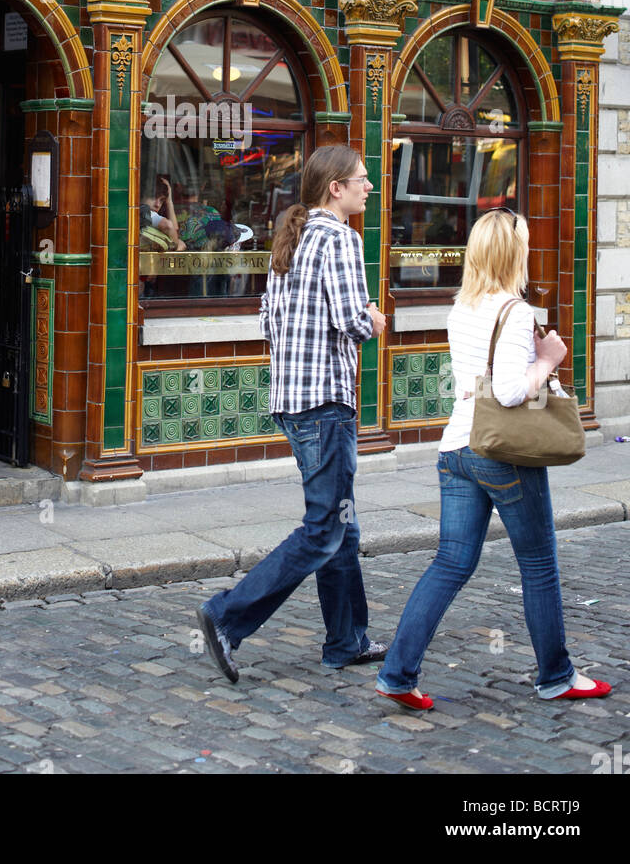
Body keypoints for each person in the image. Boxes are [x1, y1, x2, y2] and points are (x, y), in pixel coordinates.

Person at [376, 208, 612, 709]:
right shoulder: (517, 311)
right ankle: (557, 676)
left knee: (451, 563)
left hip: (457, 448)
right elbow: (506, 393)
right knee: (539, 564)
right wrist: (547, 360)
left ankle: (397, 673)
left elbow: (477, 383)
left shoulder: (461, 307)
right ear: (514, 253)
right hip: (502, 454)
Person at [198, 144, 387, 683]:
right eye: (362, 178)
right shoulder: (340, 240)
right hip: (325, 403)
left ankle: (346, 640)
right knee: (325, 528)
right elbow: (350, 319)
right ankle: (227, 615)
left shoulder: (293, 236)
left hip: (292, 401)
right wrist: (373, 318)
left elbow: (267, 316)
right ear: (336, 188)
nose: (368, 186)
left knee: (341, 525)